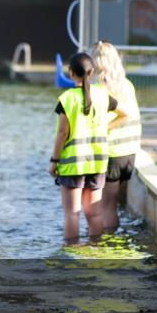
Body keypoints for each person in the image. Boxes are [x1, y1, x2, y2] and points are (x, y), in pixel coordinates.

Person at [49, 52, 128, 243]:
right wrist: (105, 128)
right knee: (94, 214)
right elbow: (124, 114)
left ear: (70, 73)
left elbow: (62, 134)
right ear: (91, 72)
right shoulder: (103, 94)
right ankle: (96, 248)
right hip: (98, 163)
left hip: (72, 164)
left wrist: (54, 161)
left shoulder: (66, 99)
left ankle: (73, 252)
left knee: (72, 214)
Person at [94, 41, 142, 233]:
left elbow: (117, 118)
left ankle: (105, 241)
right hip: (130, 151)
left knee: (107, 204)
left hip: (112, 153)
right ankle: (113, 236)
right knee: (113, 204)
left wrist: (100, 131)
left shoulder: (101, 90)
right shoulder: (127, 85)